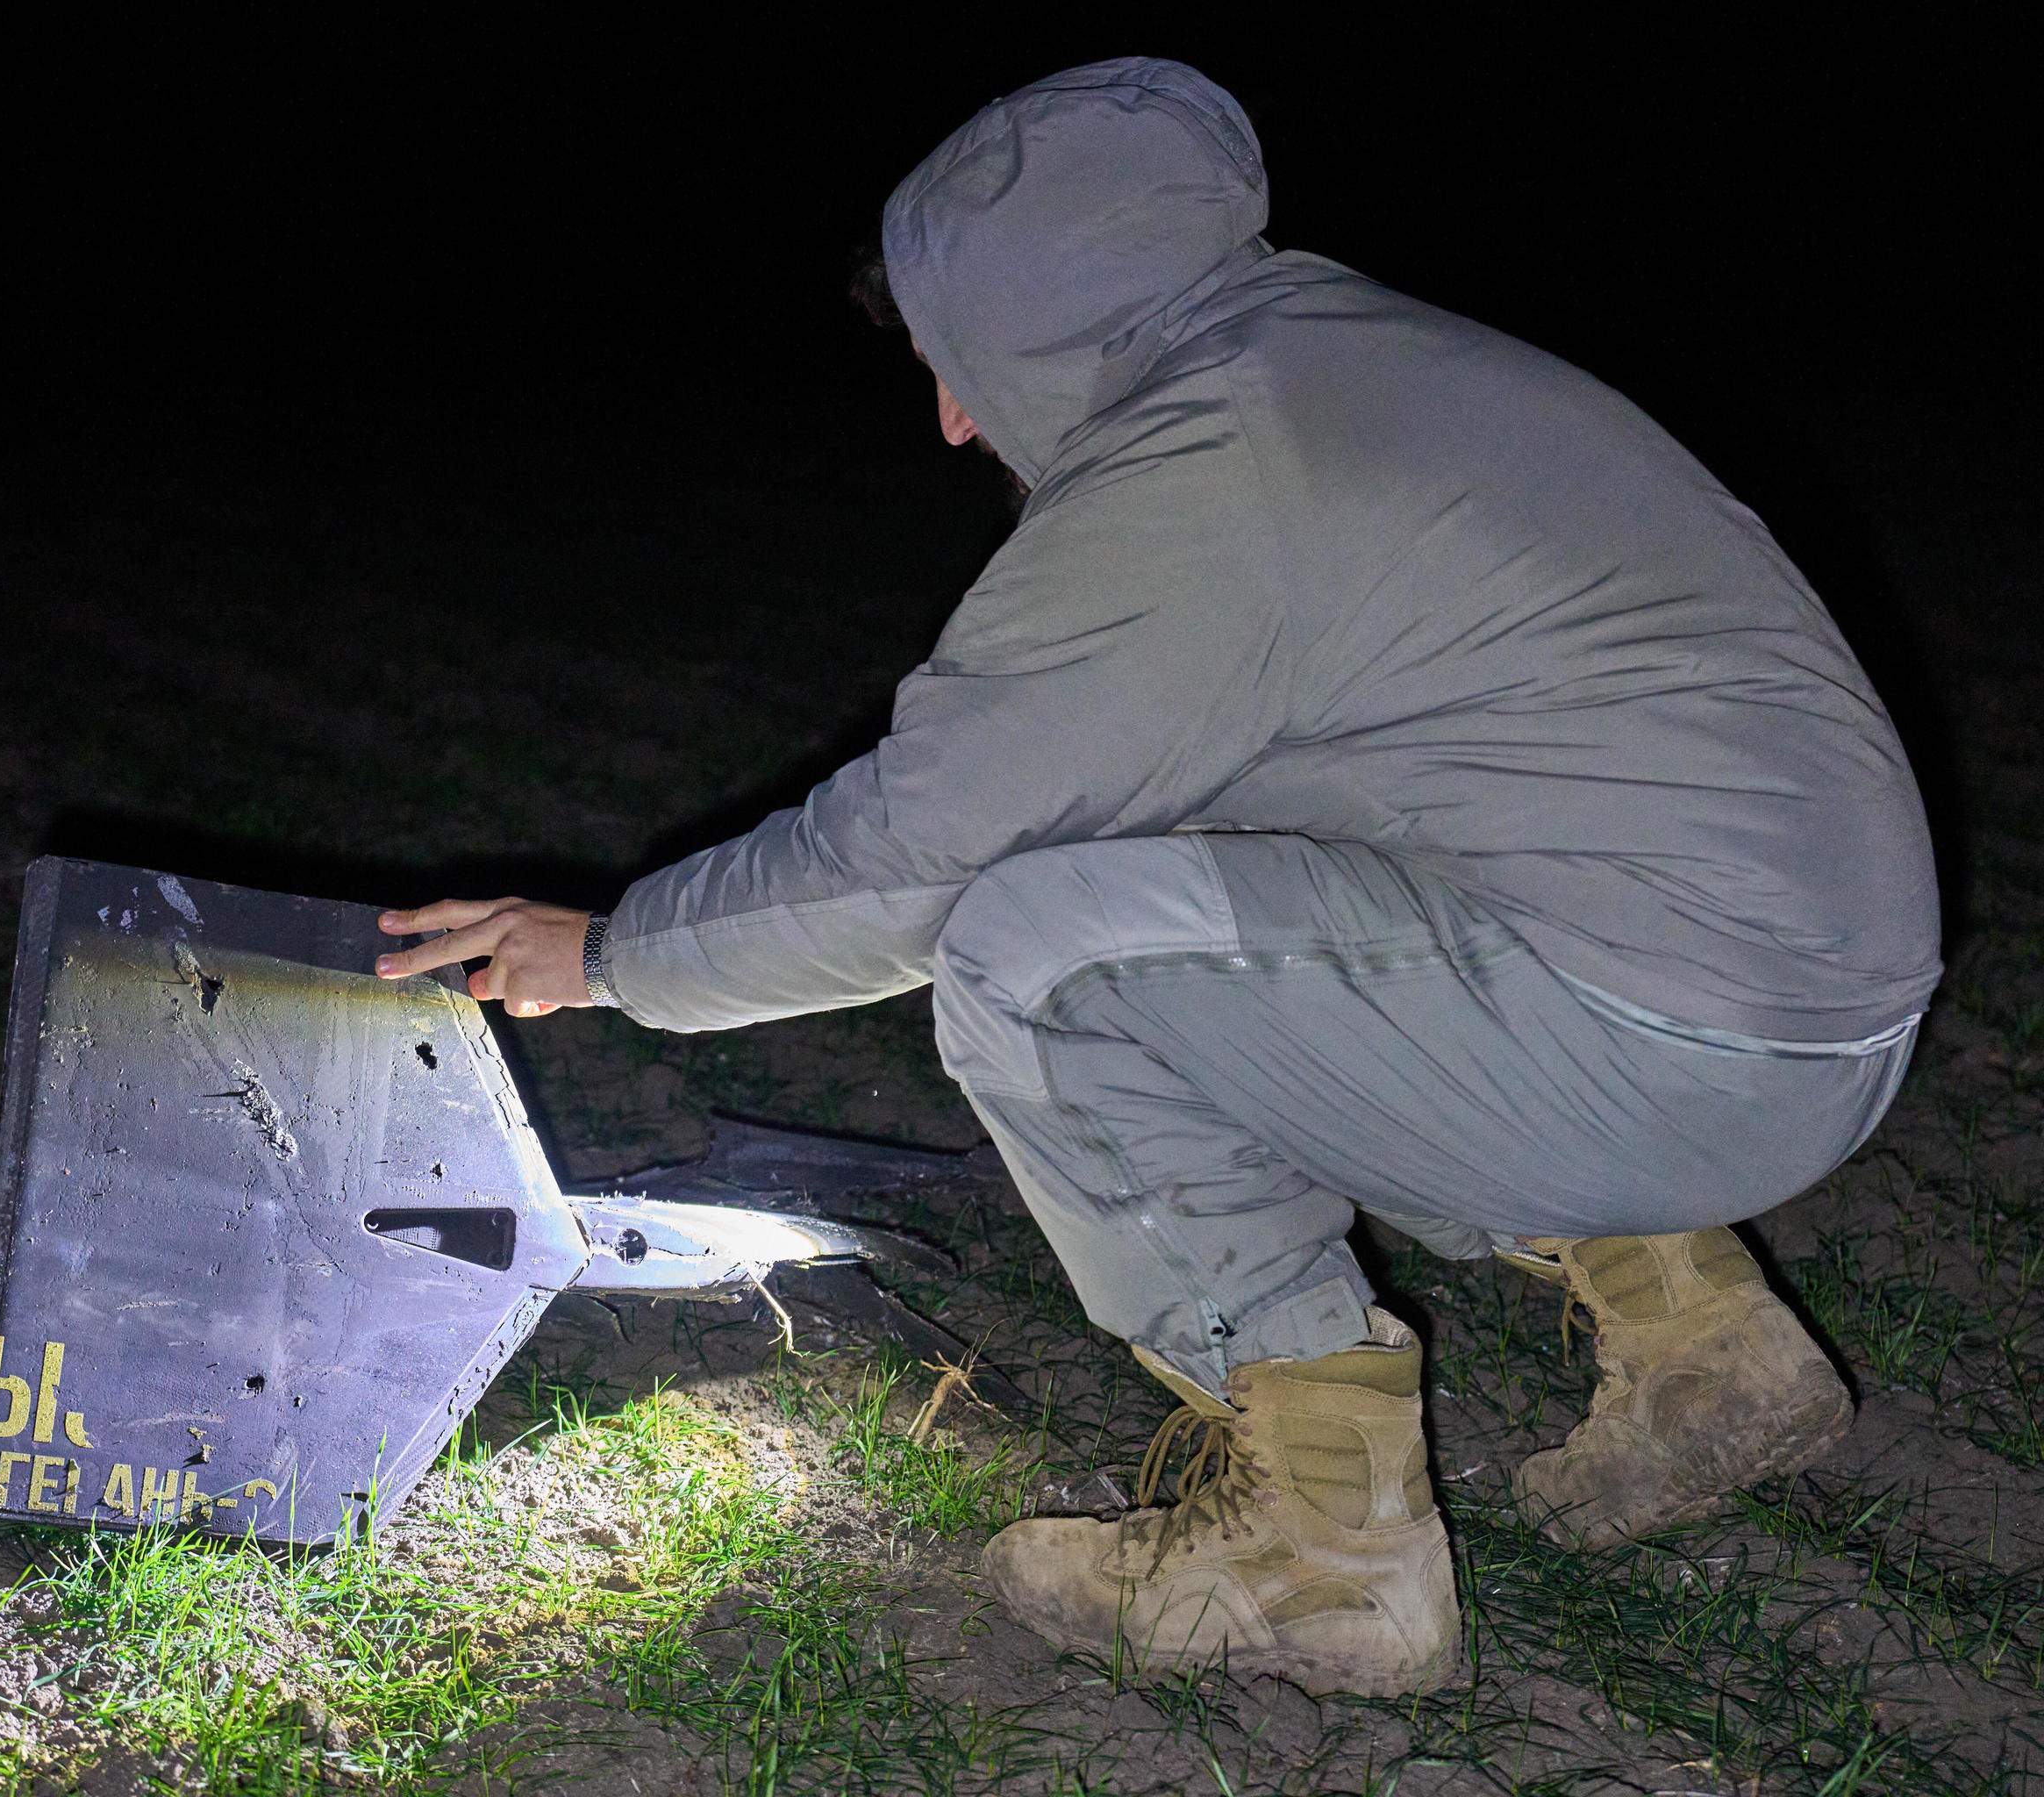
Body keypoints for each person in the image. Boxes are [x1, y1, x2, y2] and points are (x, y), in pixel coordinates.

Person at [373, 57, 1939, 1696]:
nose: (954, 419)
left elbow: (918, 856)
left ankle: (1326, 1555)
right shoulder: (1357, 359)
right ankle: (1704, 1346)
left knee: (1038, 956)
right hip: (1793, 1010)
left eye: (957, 367)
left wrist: (613, 954)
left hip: (1681, 1049)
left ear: (1047, 325)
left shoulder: (1219, 461)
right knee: (1224, 885)